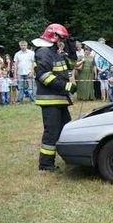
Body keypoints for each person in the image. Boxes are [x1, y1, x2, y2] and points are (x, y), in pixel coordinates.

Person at [32, 23, 77, 171]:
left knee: (66, 130)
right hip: (50, 100)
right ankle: (45, 164)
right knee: (52, 132)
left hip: (60, 99)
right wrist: (65, 86)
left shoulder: (55, 52)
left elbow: (71, 65)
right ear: (54, 37)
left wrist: (71, 48)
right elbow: (44, 76)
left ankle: (72, 157)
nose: (62, 42)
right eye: (61, 39)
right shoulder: (44, 52)